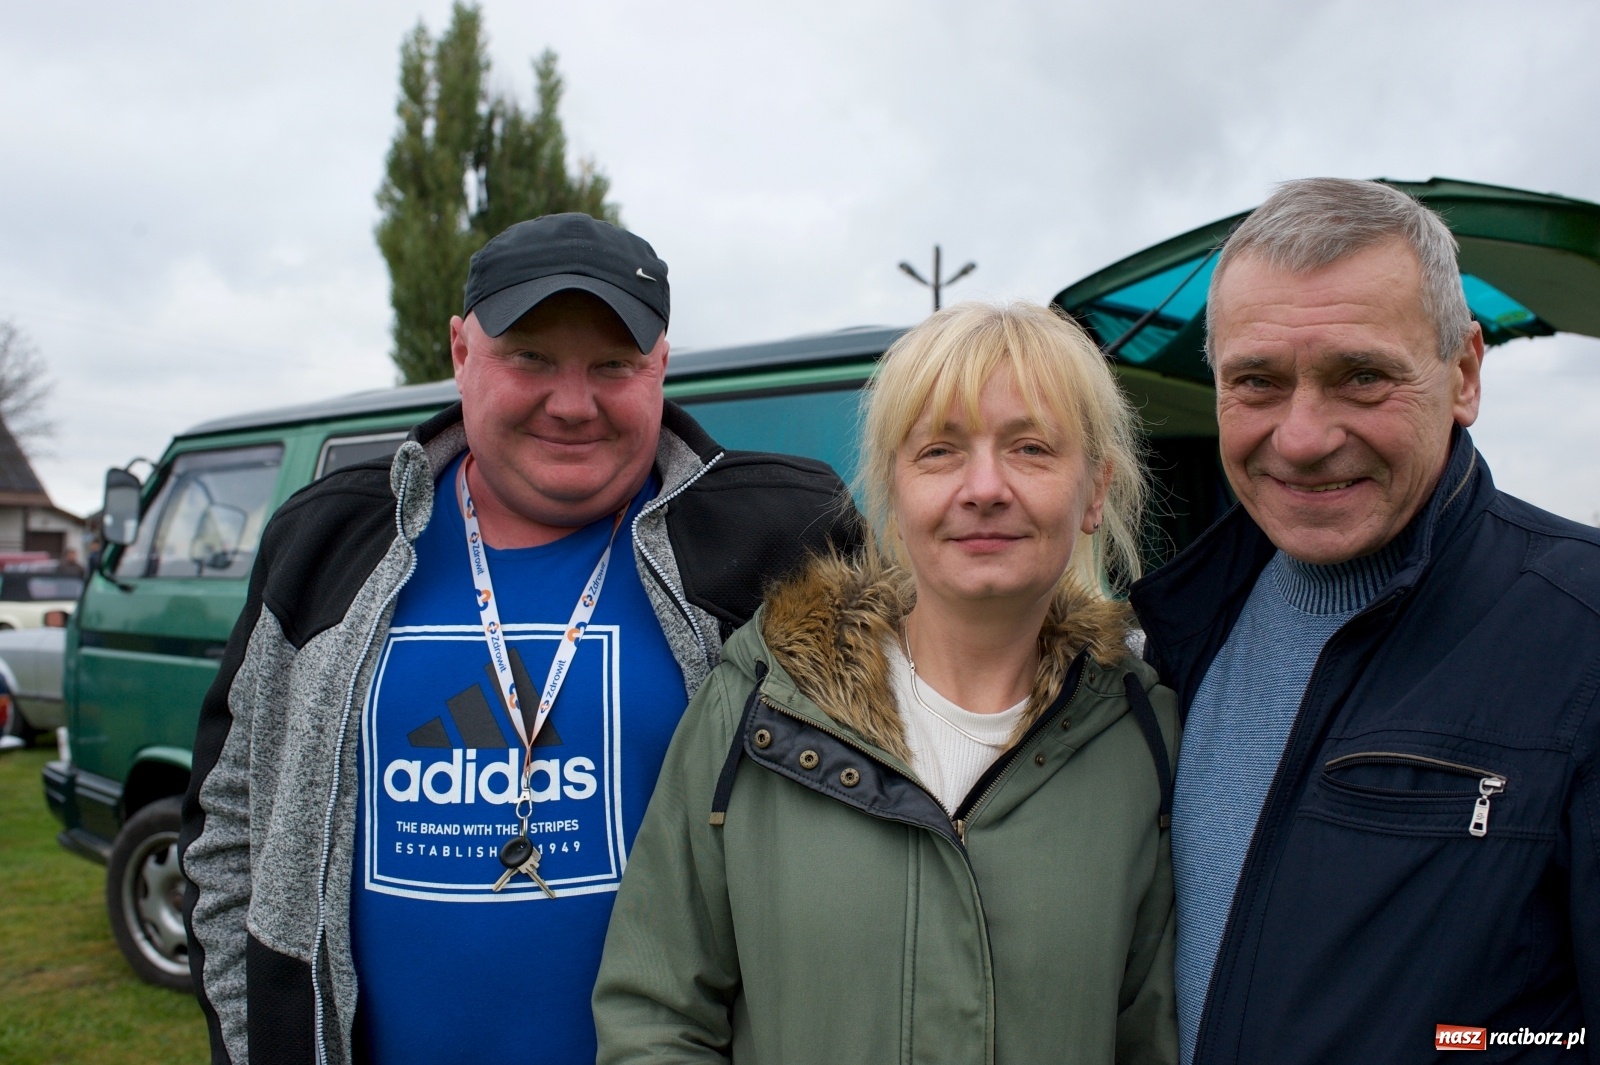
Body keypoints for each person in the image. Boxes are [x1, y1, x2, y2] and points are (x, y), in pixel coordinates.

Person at [180, 213, 861, 1065]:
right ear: (463, 353)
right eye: (530, 357)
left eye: (613, 365)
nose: (571, 404)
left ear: (661, 368)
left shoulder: (782, 541)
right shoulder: (329, 542)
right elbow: (231, 831)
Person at [594, 301, 1179, 1065]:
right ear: (891, 492)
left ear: (1095, 490)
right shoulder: (759, 700)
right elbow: (655, 1012)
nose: (984, 487)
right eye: (939, 451)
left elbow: (1154, 1035)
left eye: (1031, 447)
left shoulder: (1144, 731)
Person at [1130, 179, 1600, 1064]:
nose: (1302, 436)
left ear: (1463, 373)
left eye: (1361, 375)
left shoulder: (1583, 631)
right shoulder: (1171, 640)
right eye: (1257, 382)